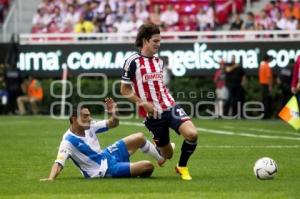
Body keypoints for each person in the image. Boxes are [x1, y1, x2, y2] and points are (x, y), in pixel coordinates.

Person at [120, 23, 198, 180]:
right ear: (145, 41)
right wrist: (143, 103)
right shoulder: (132, 61)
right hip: (153, 116)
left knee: (192, 134)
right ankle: (161, 148)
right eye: (155, 40)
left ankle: (182, 166)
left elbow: (159, 87)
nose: (158, 44)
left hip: (170, 106)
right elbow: (124, 90)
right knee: (167, 154)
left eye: (159, 40)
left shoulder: (159, 61)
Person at [40, 98, 165, 181]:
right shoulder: (68, 141)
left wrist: (114, 113)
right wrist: (51, 178)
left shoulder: (90, 126)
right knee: (147, 166)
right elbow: (59, 163)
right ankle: (129, 171)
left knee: (139, 137)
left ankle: (160, 158)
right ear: (74, 118)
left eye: (89, 115)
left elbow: (113, 123)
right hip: (103, 170)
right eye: (85, 116)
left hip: (107, 155)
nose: (89, 118)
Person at [259, 54, 273, 119]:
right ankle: (265, 115)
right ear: (267, 59)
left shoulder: (261, 66)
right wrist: (270, 86)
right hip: (266, 85)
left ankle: (262, 114)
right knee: (266, 100)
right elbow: (268, 77)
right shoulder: (267, 66)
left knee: (263, 99)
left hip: (262, 84)